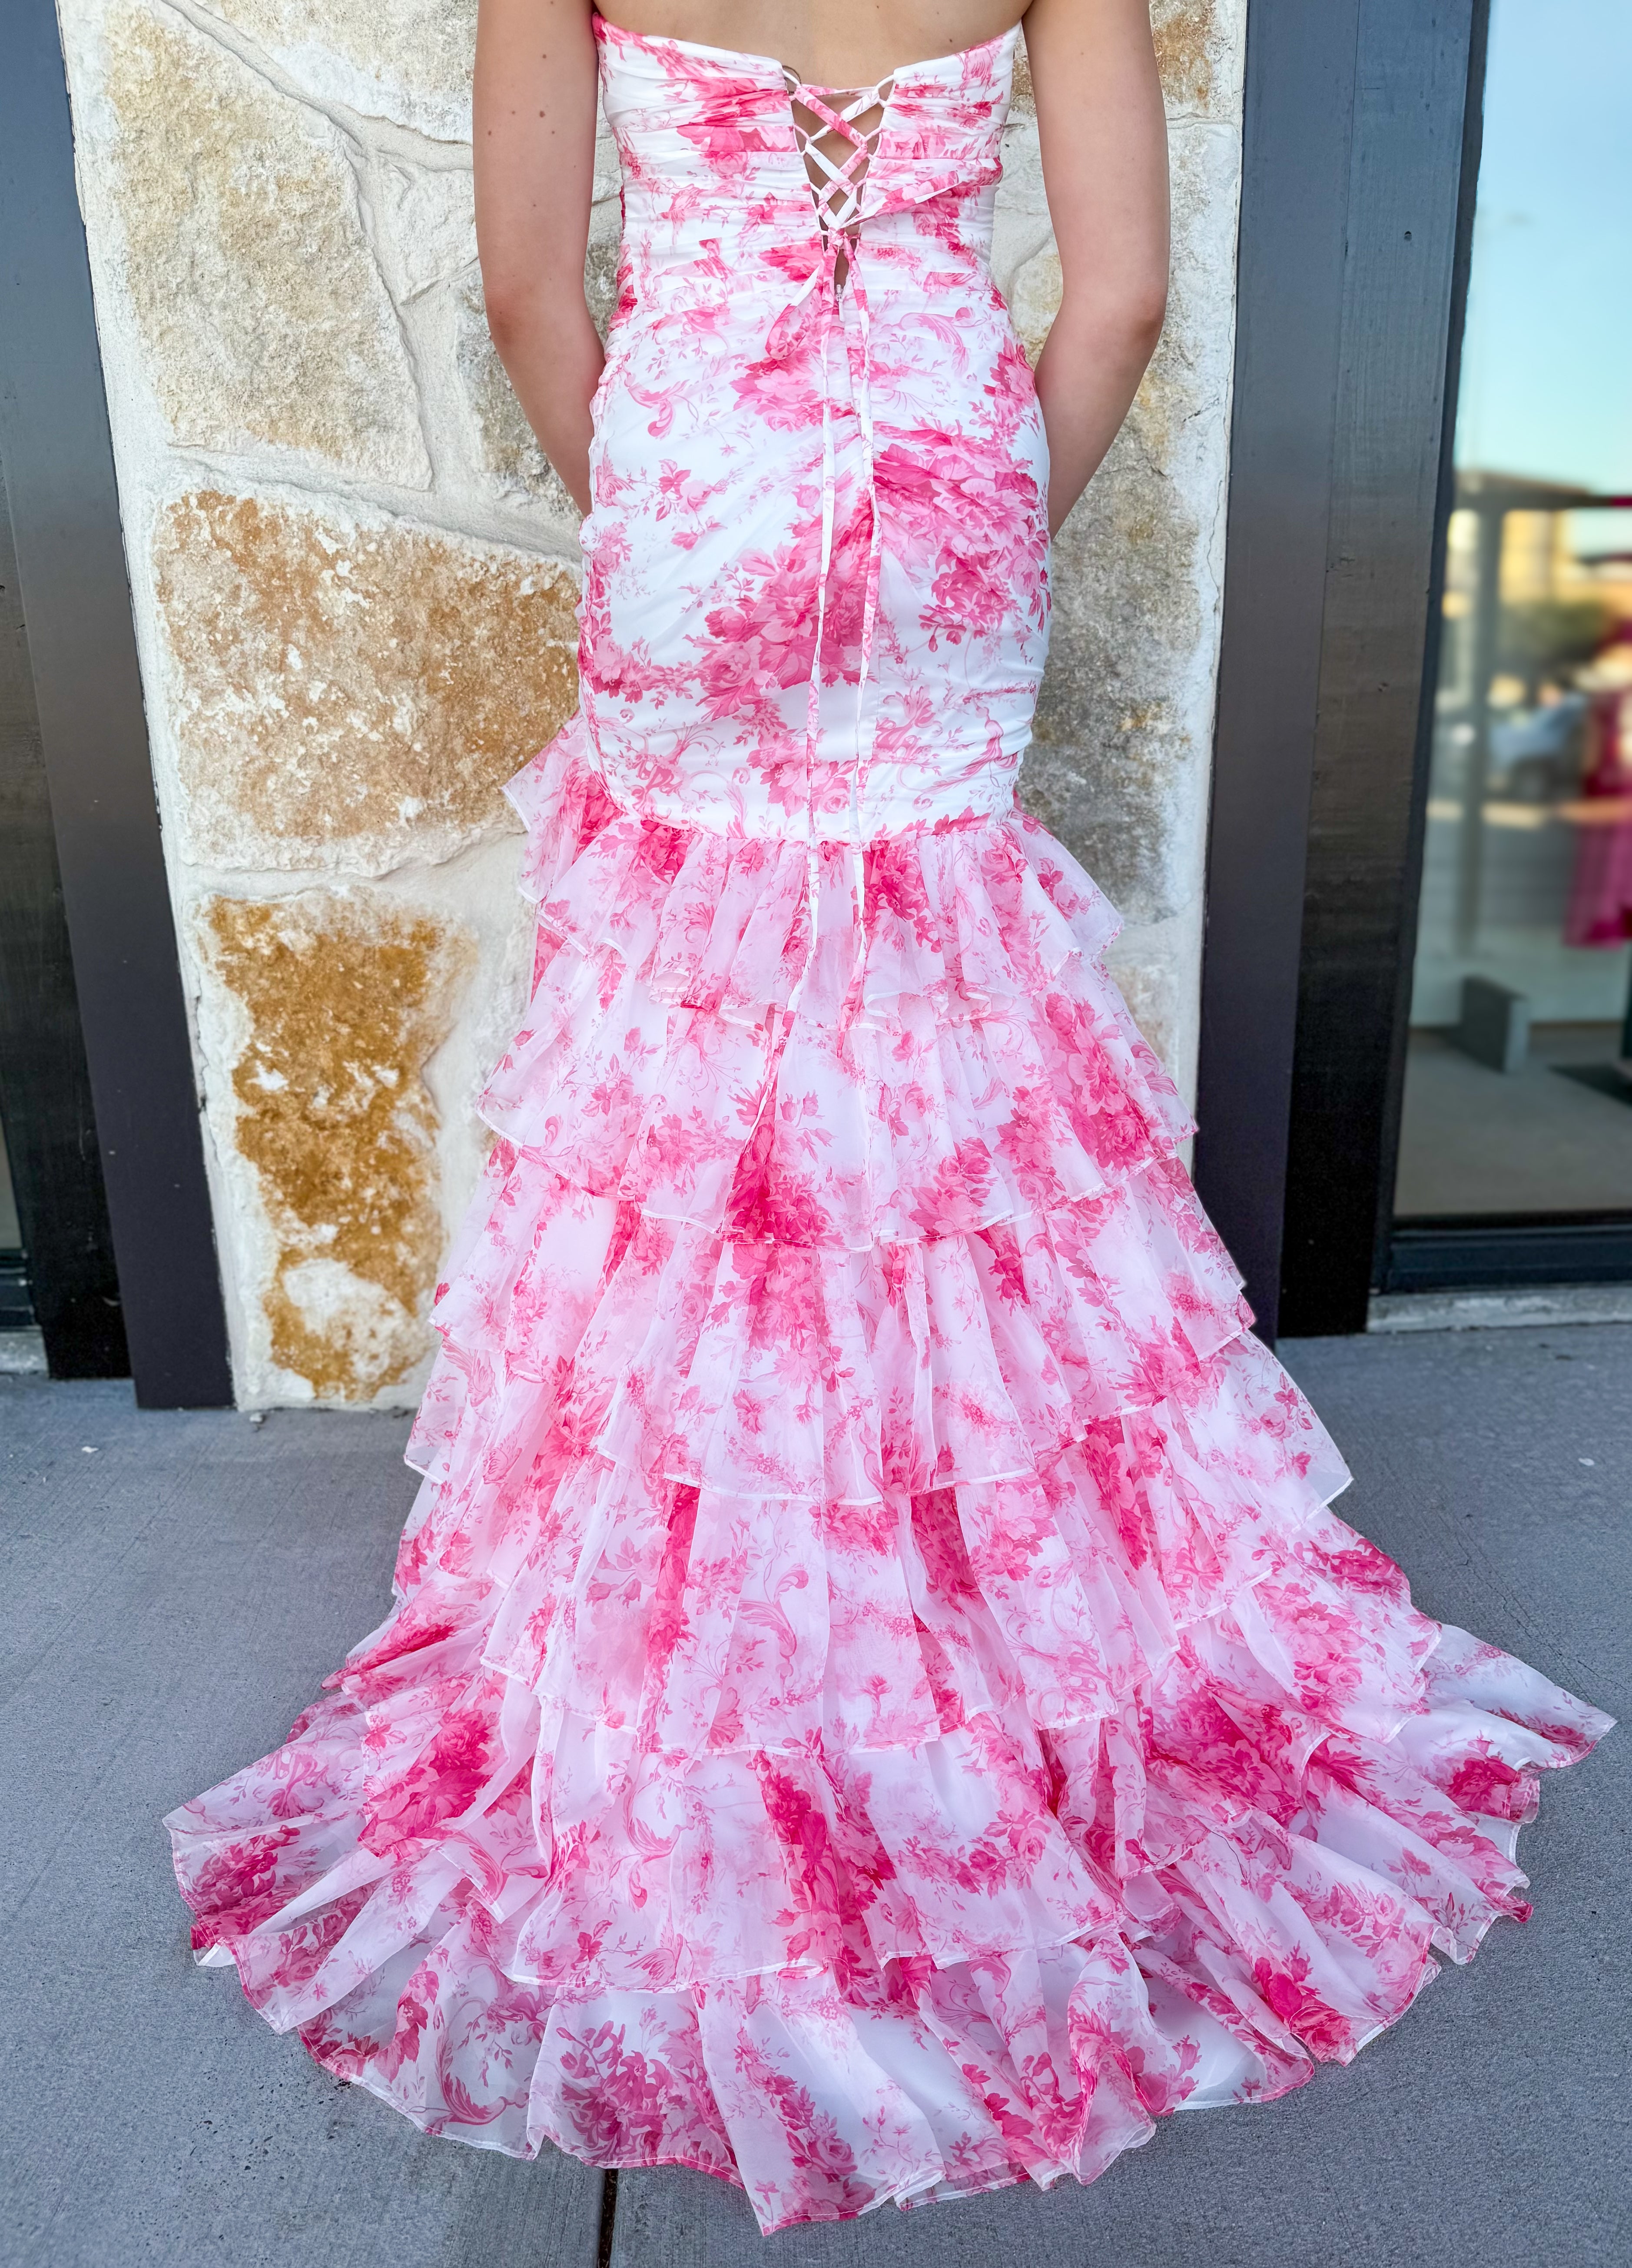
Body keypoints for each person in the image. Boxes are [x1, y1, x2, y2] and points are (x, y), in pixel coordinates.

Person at [166, 1, 1610, 2234]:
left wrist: (675, 502)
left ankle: (722, 1647)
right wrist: (980, 505)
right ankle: (970, 1619)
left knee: (694, 1064)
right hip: (949, 491)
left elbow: (536, 293)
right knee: (945, 1062)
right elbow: (1117, 301)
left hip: (691, 486)